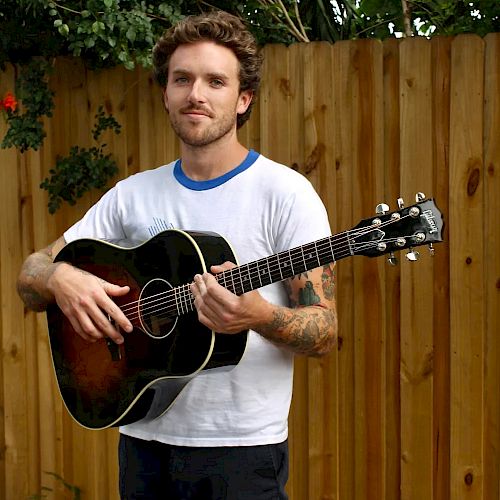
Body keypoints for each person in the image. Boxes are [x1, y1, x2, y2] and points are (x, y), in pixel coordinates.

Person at [17, 10, 337, 500]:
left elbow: (323, 331)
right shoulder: (132, 196)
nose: (196, 95)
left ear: (243, 98)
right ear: (165, 93)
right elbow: (30, 272)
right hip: (142, 440)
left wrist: (258, 315)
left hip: (244, 452)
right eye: (182, 79)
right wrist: (60, 278)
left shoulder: (285, 195)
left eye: (215, 81)